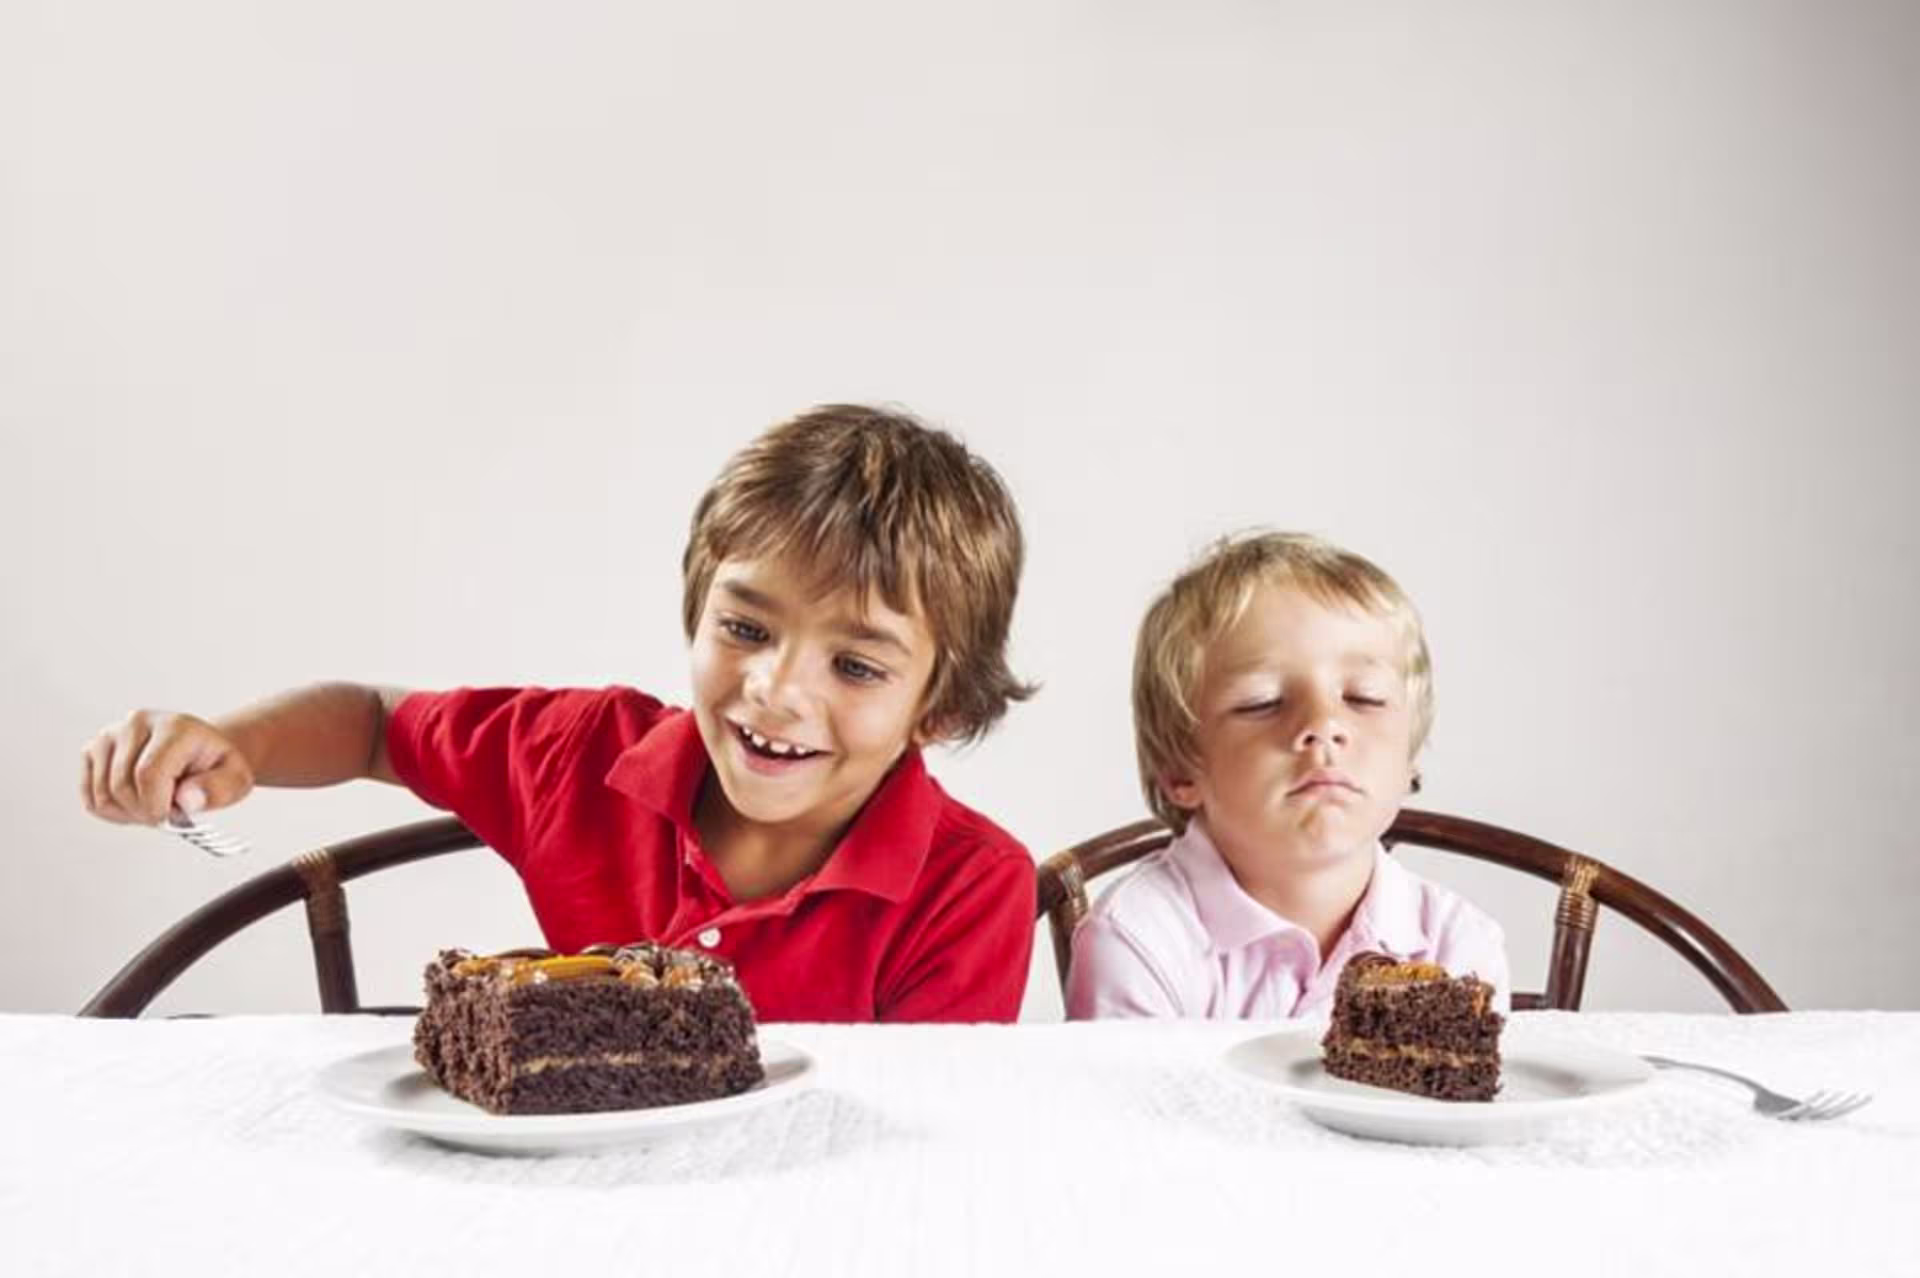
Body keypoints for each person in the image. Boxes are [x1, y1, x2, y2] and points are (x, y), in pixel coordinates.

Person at [81, 405, 1039, 1022]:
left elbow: (919, 1151)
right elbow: (374, 722)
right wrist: (235, 745)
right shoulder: (579, 755)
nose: (778, 690)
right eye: (746, 627)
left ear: (940, 709)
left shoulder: (969, 887)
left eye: (857, 665)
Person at [1066, 530, 1508, 1019]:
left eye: (1364, 697)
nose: (1323, 726)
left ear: (1409, 760)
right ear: (1179, 770)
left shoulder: (1459, 945)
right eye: (1264, 703)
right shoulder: (1139, 938)